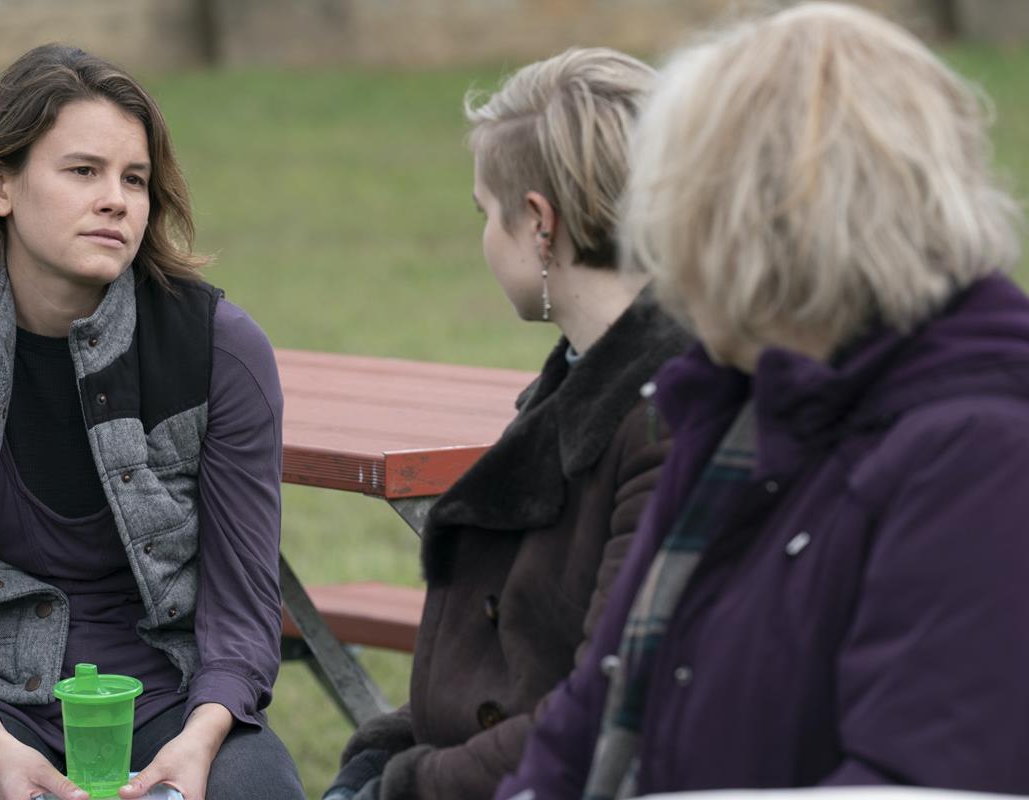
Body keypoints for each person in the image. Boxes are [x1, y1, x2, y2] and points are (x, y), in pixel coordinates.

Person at [495, 4, 1029, 798]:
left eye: (673, 207)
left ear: (752, 225)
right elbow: (594, 708)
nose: (658, 251)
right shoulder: (738, 404)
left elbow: (925, 780)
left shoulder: (981, 452)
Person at [0, 44, 303, 800]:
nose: (116, 199)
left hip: (173, 702)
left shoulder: (222, 351)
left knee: (258, 787)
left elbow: (243, 610)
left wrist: (203, 735)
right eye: (83, 172)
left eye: (135, 179)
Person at [322, 48, 690, 800]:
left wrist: (397, 787)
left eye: (486, 214)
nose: (485, 238)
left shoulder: (668, 420)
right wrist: (380, 761)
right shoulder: (586, 386)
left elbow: (601, 717)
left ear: (538, 223)